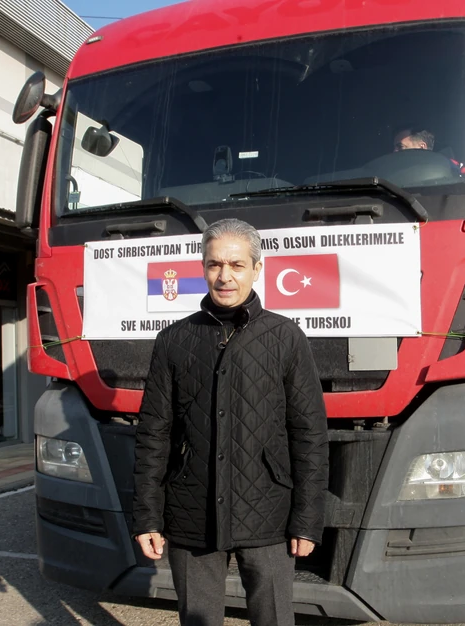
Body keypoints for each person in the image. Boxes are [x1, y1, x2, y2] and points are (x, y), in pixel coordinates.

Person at [132, 218, 329, 626]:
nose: (225, 276)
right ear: (203, 268)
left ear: (257, 269)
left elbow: (309, 435)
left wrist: (308, 520)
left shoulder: (286, 338)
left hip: (269, 513)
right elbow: (154, 435)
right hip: (191, 514)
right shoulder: (173, 340)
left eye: (237, 265)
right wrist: (147, 515)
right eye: (214, 264)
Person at [392, 126, 465, 174]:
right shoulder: (391, 173)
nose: (394, 151)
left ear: (422, 147)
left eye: (400, 146)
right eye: (395, 147)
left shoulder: (451, 168)